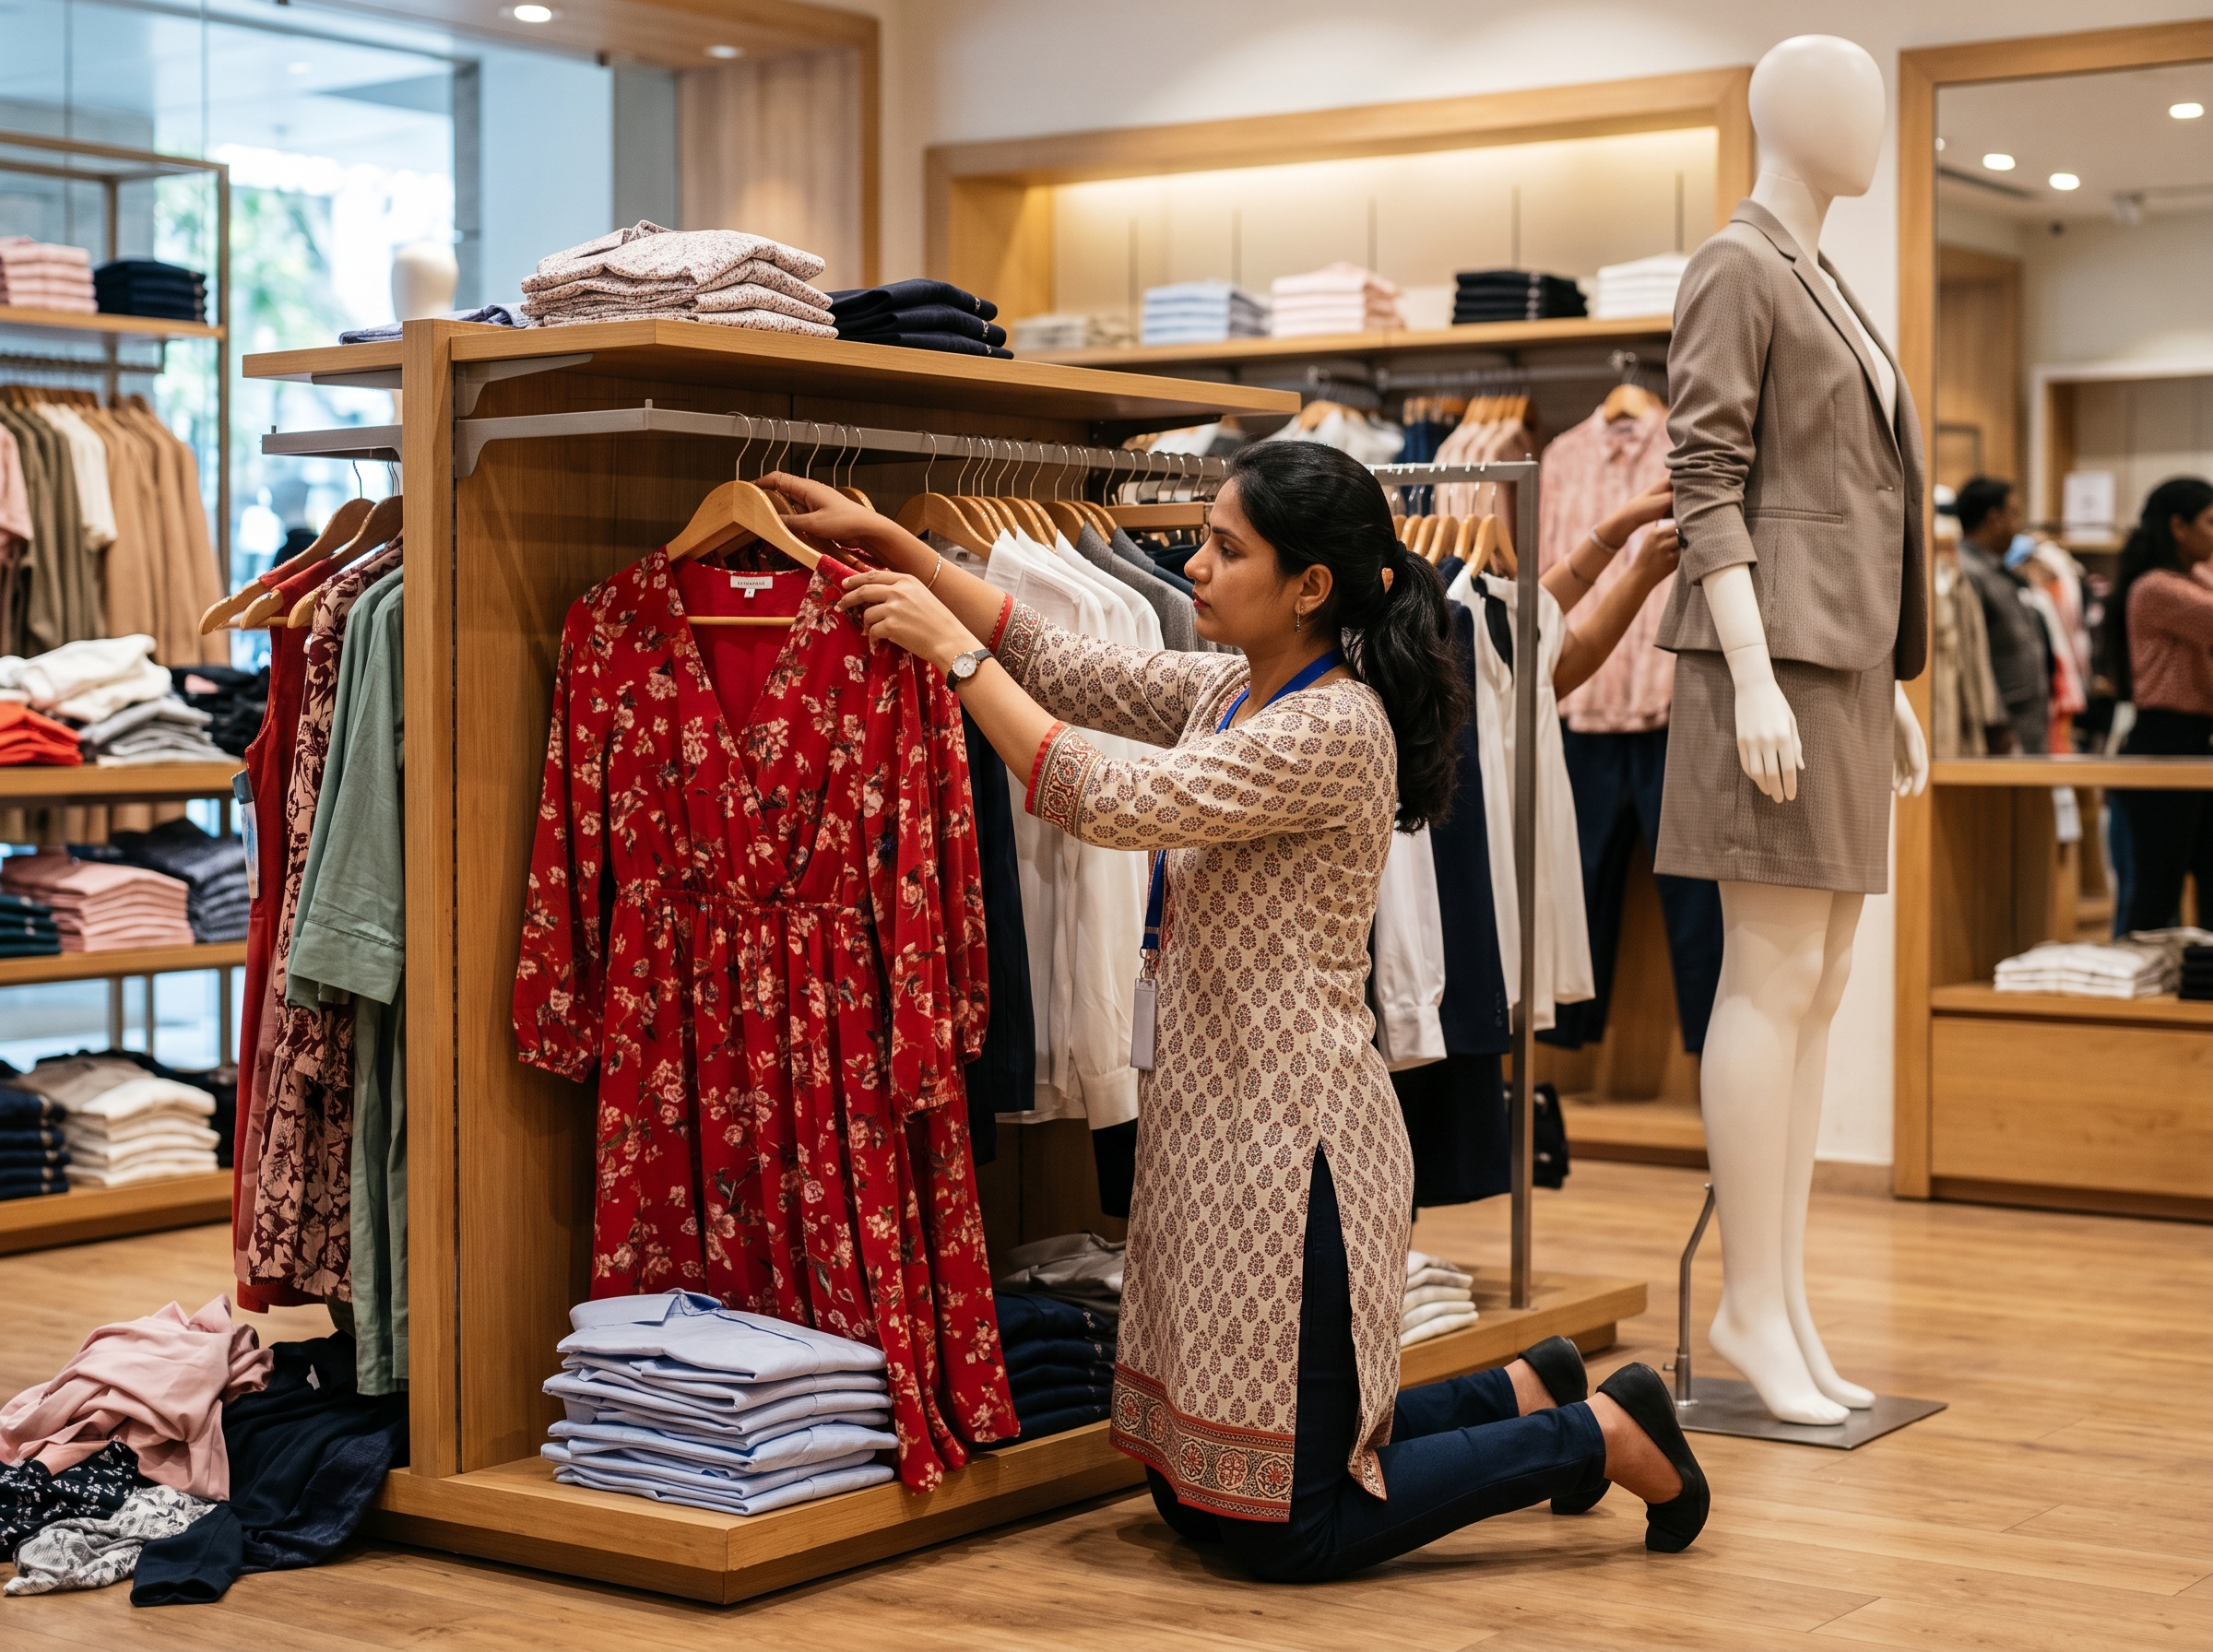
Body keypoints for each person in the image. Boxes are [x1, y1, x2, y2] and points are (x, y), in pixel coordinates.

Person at [758, 442, 1707, 1582]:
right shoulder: (1229, 686)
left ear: (1312, 585)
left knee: (1295, 1530)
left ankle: (1596, 1430)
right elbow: (1061, 659)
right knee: (1200, 1500)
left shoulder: (1331, 727)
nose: (1195, 564)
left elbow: (1110, 795)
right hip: (1212, 1126)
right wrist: (893, 543)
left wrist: (952, 657)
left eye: (1225, 546)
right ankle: (1526, 1386)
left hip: (1293, 1145)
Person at [2103, 476, 2213, 932]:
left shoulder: (2195, 578)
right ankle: (2139, 997)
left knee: (2208, 876)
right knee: (2155, 890)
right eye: (2210, 521)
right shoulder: (2155, 587)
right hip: (2163, 740)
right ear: (2178, 526)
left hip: (2196, 740)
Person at [1954, 476, 2052, 754]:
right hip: (2004, 725)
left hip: (2023, 719)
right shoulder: (1968, 572)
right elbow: (1971, 652)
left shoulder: (1996, 569)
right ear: (1994, 518)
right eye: (2014, 514)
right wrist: (1996, 721)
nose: (2017, 525)